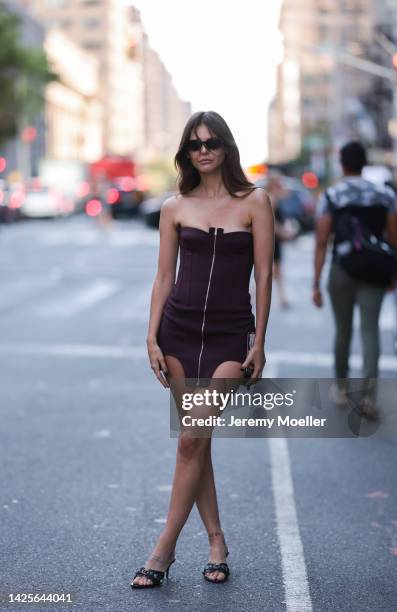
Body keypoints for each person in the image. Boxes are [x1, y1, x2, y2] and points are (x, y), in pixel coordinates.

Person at [130, 111, 273, 588]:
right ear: (186, 153)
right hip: (178, 333)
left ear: (227, 147)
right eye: (195, 144)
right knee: (198, 442)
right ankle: (216, 542)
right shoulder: (174, 207)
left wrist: (262, 340)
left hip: (231, 337)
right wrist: (151, 336)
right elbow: (163, 277)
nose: (204, 150)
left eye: (211, 142)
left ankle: (162, 551)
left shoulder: (255, 202)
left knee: (192, 439)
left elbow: (265, 276)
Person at [312, 141, 397, 420]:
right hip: (374, 270)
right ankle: (369, 398)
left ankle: (340, 387)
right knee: (370, 332)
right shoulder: (384, 194)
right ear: (364, 163)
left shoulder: (332, 195)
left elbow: (321, 241)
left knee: (343, 331)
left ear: (342, 163)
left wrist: (315, 282)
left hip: (342, 269)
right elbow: (394, 238)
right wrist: (392, 273)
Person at [265, 172, 297, 308]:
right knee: (270, 272)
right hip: (271, 239)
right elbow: (270, 223)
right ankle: (281, 298)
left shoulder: (271, 196)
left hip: (272, 239)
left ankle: (282, 297)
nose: (280, 185)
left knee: (274, 271)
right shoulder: (271, 199)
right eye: (278, 182)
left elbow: (286, 193)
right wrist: (285, 234)